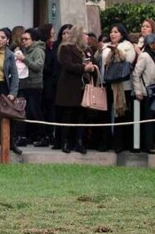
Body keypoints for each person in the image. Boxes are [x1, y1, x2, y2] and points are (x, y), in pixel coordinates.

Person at [56, 24, 98, 154]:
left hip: (83, 88)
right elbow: (68, 65)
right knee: (68, 115)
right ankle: (66, 142)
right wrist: (83, 68)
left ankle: (80, 142)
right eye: (84, 34)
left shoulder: (88, 51)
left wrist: (93, 67)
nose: (87, 37)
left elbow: (94, 62)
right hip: (69, 87)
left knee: (82, 116)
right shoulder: (65, 48)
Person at [100, 24, 136, 153]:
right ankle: (105, 142)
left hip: (122, 86)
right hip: (107, 84)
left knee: (121, 115)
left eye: (116, 32)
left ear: (122, 34)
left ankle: (119, 144)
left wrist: (116, 51)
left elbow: (129, 60)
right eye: (111, 31)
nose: (112, 34)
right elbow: (102, 62)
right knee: (106, 114)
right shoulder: (105, 46)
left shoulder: (128, 46)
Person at [15, 27, 47, 147]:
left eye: (26, 39)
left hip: (34, 85)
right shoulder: (25, 50)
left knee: (35, 111)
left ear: (33, 40)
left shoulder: (38, 50)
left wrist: (24, 59)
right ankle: (24, 136)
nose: (24, 41)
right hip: (24, 84)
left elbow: (38, 67)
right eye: (22, 39)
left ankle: (43, 136)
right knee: (24, 111)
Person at [132, 33, 155, 154]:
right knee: (149, 120)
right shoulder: (145, 56)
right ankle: (149, 145)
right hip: (148, 92)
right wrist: (138, 91)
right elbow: (136, 74)